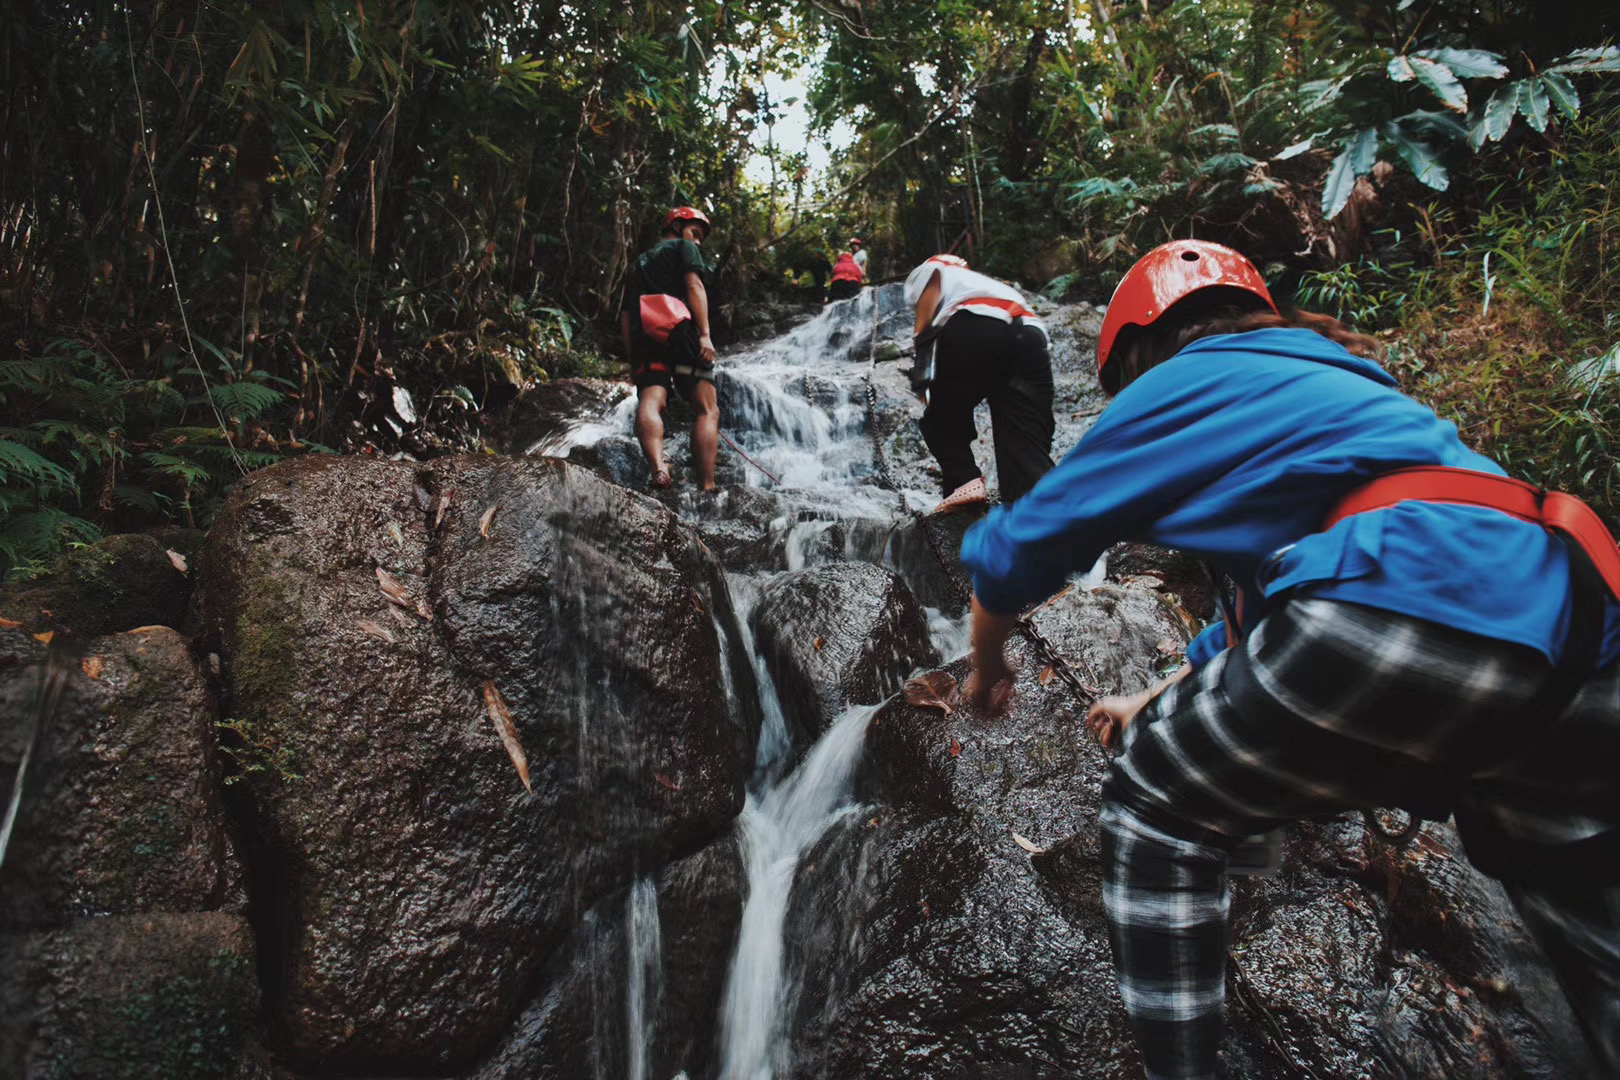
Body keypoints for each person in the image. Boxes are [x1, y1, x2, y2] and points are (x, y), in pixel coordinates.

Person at [959, 238, 1620, 1078]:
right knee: (1586, 920)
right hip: (1581, 636)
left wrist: (986, 669)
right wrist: (1153, 699)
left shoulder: (1183, 380)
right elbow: (1263, 615)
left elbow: (1016, 551)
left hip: (1393, 611)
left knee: (1154, 809)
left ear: (1137, 349)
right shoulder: (1347, 385)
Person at [904, 253, 1055, 512]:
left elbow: (924, 324)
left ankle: (964, 482)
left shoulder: (933, 269)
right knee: (1023, 434)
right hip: (1031, 332)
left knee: (939, 419)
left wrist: (923, 379)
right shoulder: (980, 282)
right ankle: (1040, 504)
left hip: (977, 324)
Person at [620, 206, 719, 490]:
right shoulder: (684, 248)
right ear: (677, 226)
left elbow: (626, 316)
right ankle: (708, 486)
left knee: (651, 400)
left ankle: (659, 469)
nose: (697, 242)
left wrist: (632, 358)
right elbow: (694, 285)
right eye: (695, 233)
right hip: (680, 332)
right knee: (707, 409)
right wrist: (705, 335)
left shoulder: (637, 264)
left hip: (645, 338)